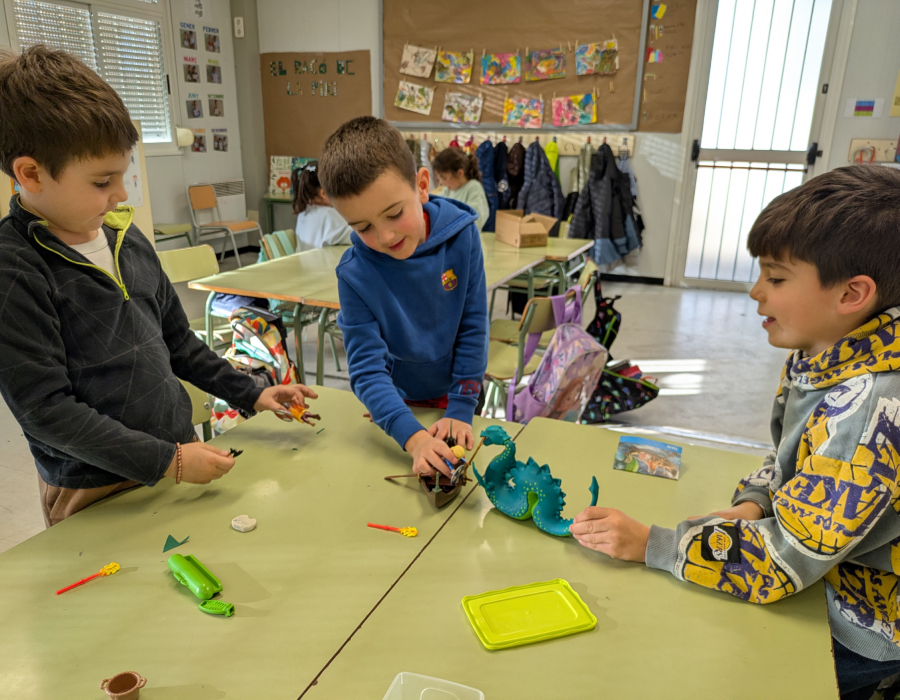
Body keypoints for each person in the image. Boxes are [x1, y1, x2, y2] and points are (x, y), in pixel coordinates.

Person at [568, 165, 900, 700]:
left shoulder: (870, 410)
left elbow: (784, 560)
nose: (754, 292)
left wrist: (653, 544)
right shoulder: (825, 349)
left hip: (855, 625)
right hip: (819, 572)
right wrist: (753, 503)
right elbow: (792, 458)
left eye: (776, 278)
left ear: (852, 293)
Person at [0, 46, 317, 527]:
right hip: (95, 487)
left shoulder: (126, 238)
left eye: (123, 174)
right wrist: (169, 461)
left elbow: (179, 343)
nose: (121, 193)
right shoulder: (14, 268)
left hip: (177, 457)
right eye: (102, 182)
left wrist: (250, 392)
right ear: (30, 174)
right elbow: (47, 412)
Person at [318, 117, 488, 477]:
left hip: (458, 396)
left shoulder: (463, 237)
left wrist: (461, 405)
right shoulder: (354, 274)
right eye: (363, 227)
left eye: (394, 214)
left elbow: (473, 326)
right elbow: (366, 371)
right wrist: (411, 436)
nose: (385, 236)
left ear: (422, 186)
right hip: (396, 405)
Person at [290, 161, 352, 252]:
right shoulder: (329, 215)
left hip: (306, 261)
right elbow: (358, 237)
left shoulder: (303, 214)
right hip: (325, 261)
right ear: (323, 193)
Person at [432, 147, 490, 233]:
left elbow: (477, 219)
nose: (443, 183)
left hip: (468, 238)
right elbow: (436, 206)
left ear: (460, 173)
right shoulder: (447, 191)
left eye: (444, 178)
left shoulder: (473, 187)